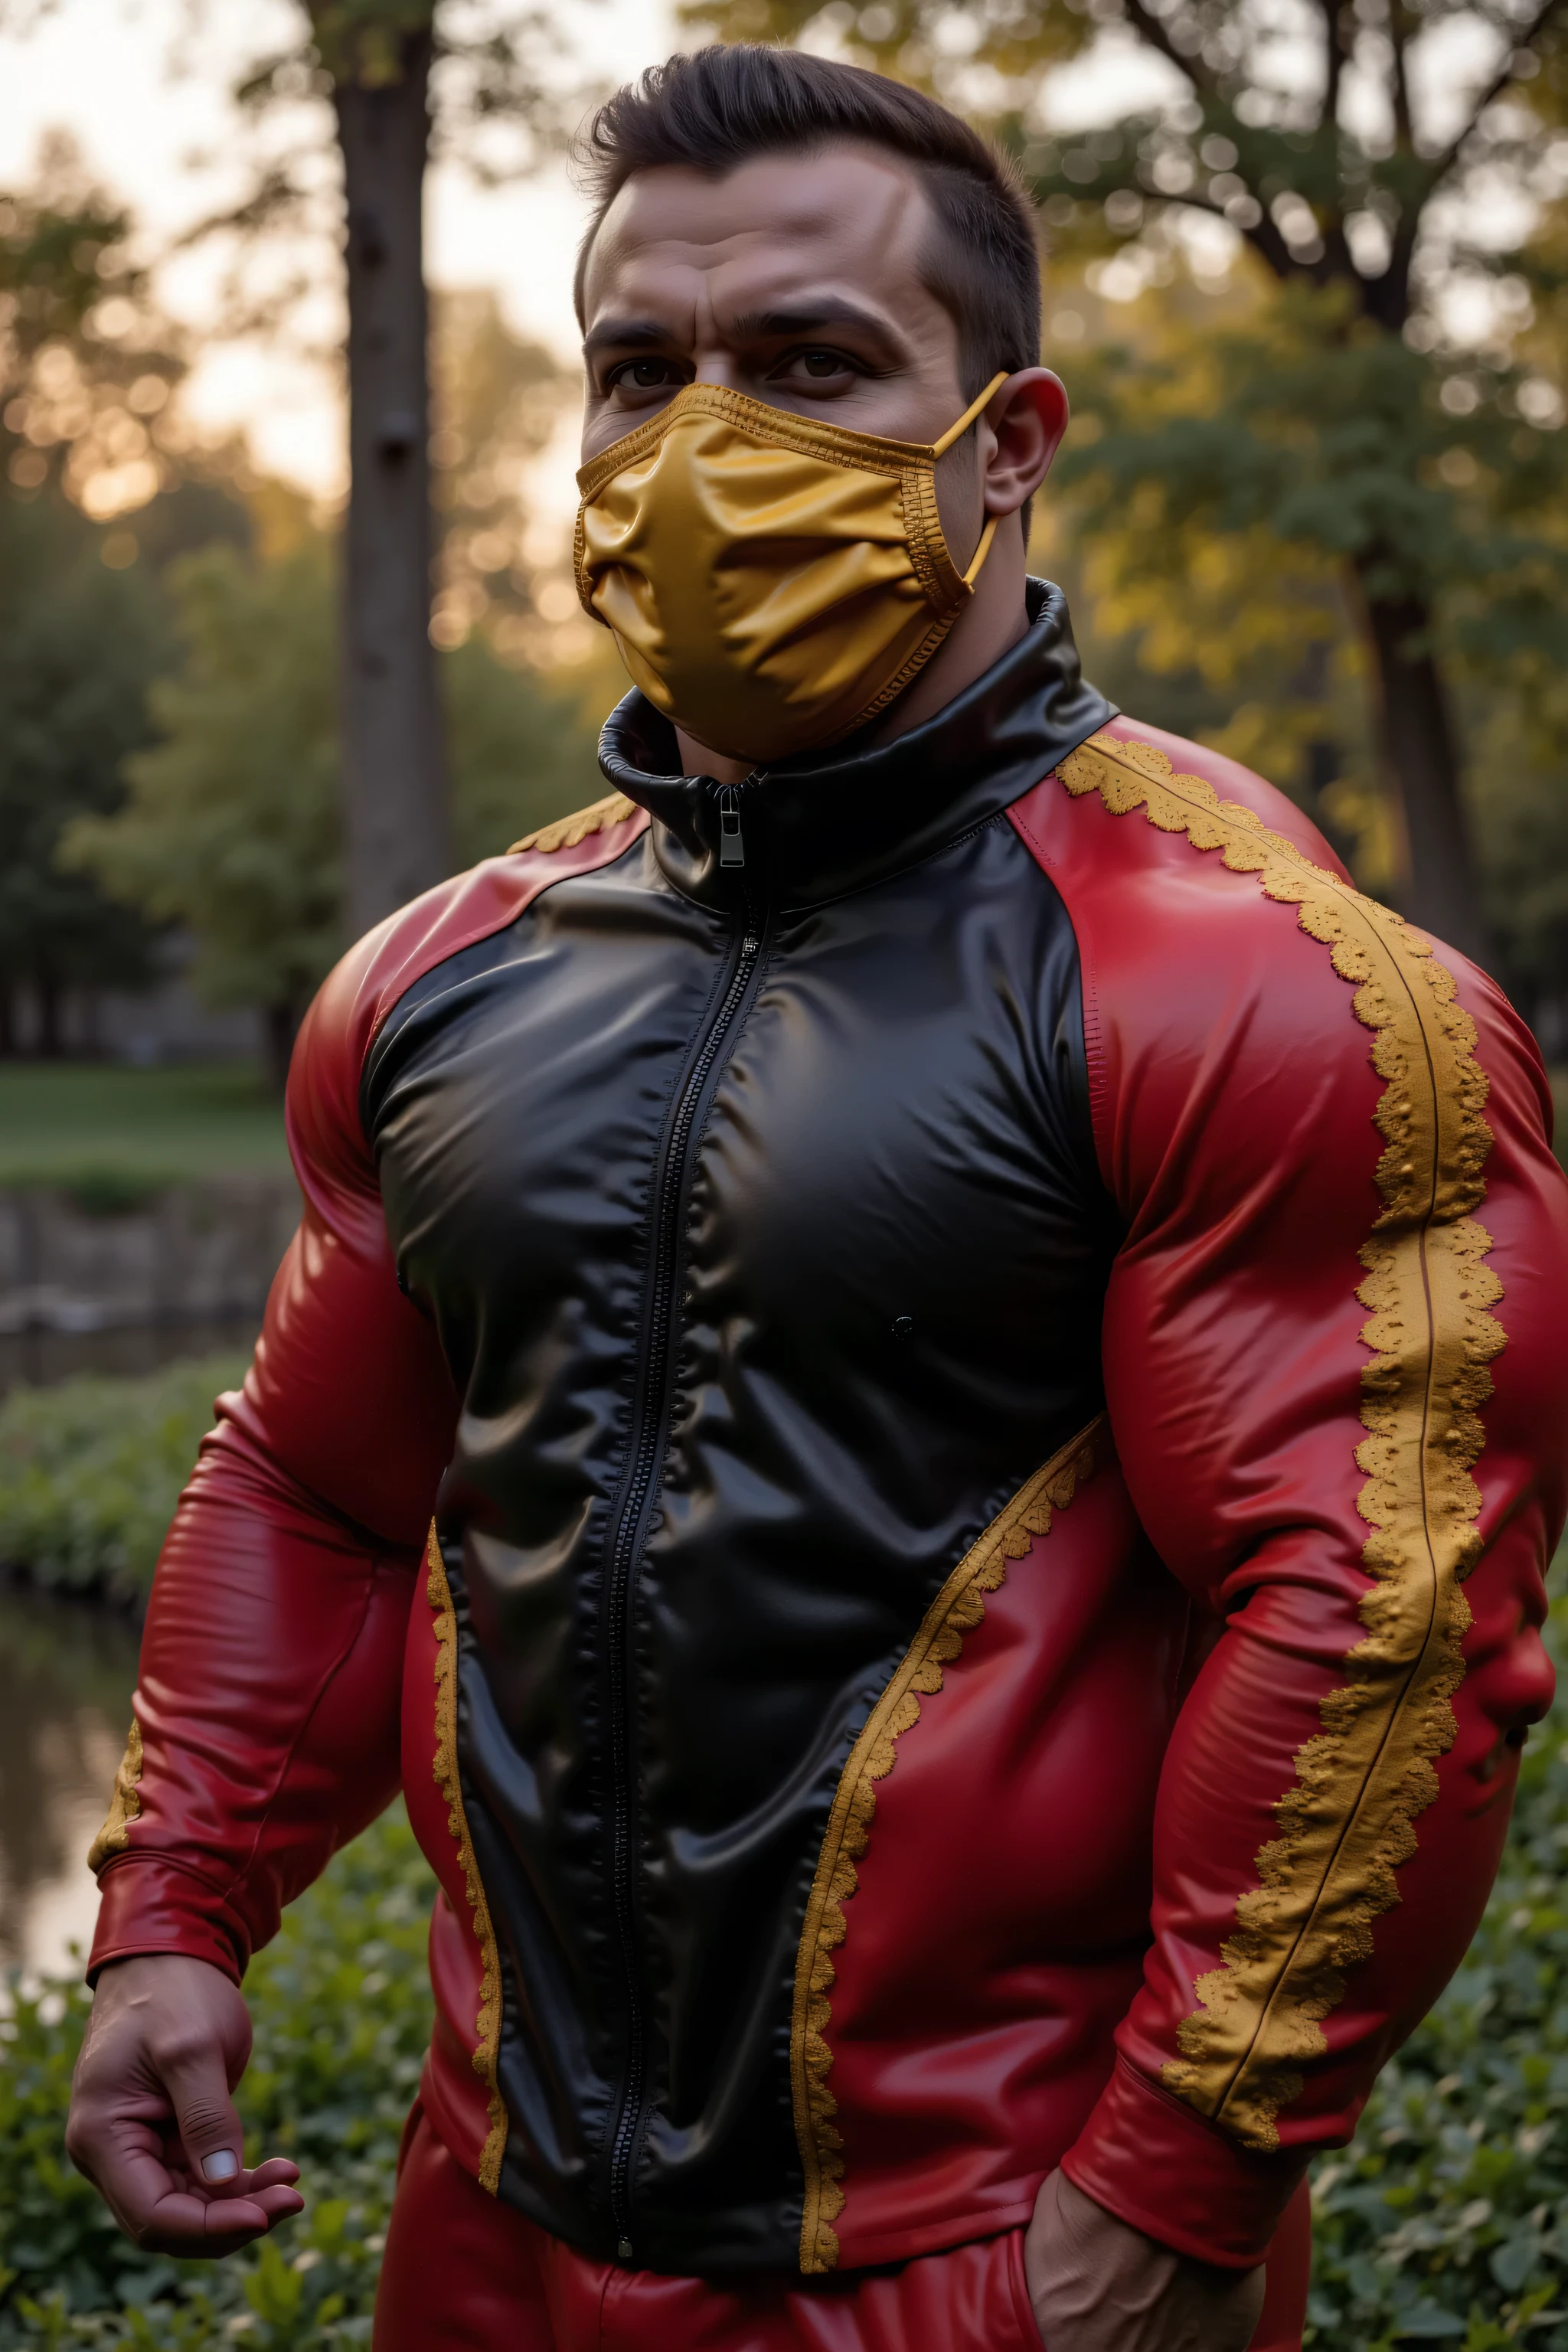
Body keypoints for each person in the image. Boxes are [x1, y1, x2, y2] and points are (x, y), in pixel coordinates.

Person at [65, 43, 1568, 2352]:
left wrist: (1181, 2179)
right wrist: (178, 1912)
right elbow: (315, 1487)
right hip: (493, 2225)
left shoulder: (1263, 987)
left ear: (1012, 443)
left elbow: (1378, 1617)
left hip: (992, 2255)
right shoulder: (438, 979)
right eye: (639, 368)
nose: (702, 444)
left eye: (811, 365)